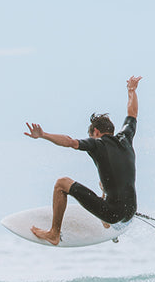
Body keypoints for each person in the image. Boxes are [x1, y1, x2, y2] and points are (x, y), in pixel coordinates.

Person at [24, 76, 142, 245]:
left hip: (113, 213)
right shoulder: (126, 137)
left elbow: (70, 142)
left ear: (95, 132)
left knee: (61, 183)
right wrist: (131, 90)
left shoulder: (97, 144)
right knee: (105, 186)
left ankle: (54, 234)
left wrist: (43, 135)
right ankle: (108, 225)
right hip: (130, 211)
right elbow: (132, 113)